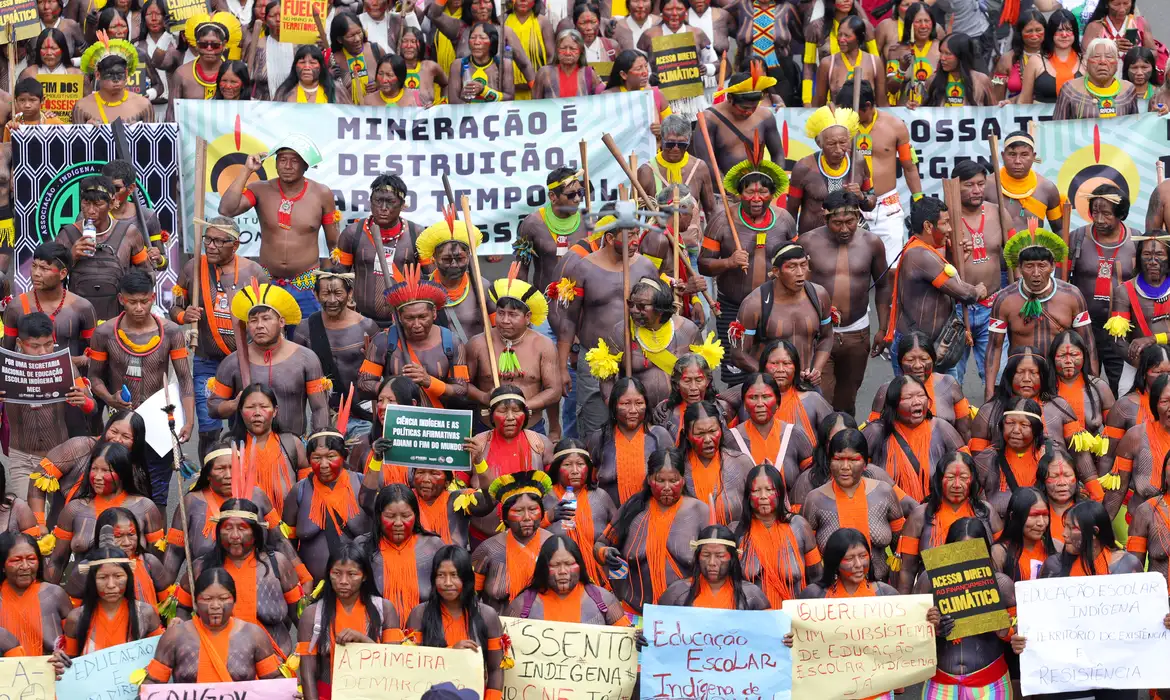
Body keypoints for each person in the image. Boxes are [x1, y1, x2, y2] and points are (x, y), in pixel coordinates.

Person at [87, 270, 195, 505]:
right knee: (118, 488)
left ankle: (157, 530)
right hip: (121, 425)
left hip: (159, 424)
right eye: (132, 302)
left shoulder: (171, 332)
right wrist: (109, 398)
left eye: (144, 301)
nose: (139, 308)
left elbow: (185, 378)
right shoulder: (104, 333)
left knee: (157, 494)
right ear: (121, 299)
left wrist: (188, 420)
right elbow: (94, 377)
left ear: (153, 297)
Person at [554, 209, 658, 436]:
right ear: (610, 238)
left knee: (640, 424)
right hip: (595, 361)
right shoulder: (584, 268)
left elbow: (660, 315)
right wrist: (561, 368)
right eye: (629, 235)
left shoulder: (646, 267)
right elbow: (568, 321)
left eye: (637, 233)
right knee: (595, 428)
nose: (635, 241)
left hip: (638, 357)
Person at [699, 144, 797, 386]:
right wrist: (729, 262)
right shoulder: (722, 221)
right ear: (739, 193)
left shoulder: (784, 220)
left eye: (763, 192)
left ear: (772, 193)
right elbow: (703, 264)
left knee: (775, 368)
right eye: (749, 192)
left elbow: (796, 259)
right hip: (732, 307)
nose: (756, 198)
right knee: (736, 373)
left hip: (775, 306)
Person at [171, 217, 268, 457]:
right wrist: (184, 315)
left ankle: (241, 472)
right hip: (207, 362)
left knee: (242, 426)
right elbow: (175, 307)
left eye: (218, 241)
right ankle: (208, 473)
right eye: (208, 240)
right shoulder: (192, 268)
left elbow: (268, 317)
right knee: (209, 429)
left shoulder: (253, 272)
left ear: (235, 245)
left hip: (243, 363)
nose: (211, 246)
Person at [218, 135, 342, 317]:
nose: (287, 166)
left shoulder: (322, 194)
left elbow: (334, 244)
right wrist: (247, 171)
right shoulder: (260, 189)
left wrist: (333, 279)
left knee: (306, 333)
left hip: (307, 285)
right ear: (275, 163)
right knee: (265, 331)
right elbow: (226, 209)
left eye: (294, 161)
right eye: (282, 160)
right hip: (267, 281)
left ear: (306, 165)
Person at [171, 499, 302, 657]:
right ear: (218, 532)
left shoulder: (278, 564)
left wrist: (306, 652)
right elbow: (182, 609)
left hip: (275, 664)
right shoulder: (200, 567)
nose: (234, 535)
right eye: (227, 528)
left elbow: (300, 615)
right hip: (216, 660)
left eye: (242, 528)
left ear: (255, 532)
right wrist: (180, 624)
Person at [799, 191, 890, 413]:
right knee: (820, 398)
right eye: (837, 223)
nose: (844, 229)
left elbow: (883, 286)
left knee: (847, 400)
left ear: (858, 217)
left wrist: (883, 329)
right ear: (825, 218)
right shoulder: (807, 242)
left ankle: (844, 434)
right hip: (819, 334)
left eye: (850, 221)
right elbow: (795, 287)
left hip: (857, 333)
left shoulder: (872, 243)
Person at [879, 197, 987, 372]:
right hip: (917, 351)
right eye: (945, 223)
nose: (949, 229)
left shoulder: (924, 251)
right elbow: (965, 295)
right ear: (928, 226)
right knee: (918, 391)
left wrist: (955, 260)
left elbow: (942, 284)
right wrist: (978, 290)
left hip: (935, 346)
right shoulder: (920, 255)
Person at [208, 283, 330, 437]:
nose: (259, 325)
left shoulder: (306, 359)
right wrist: (234, 404)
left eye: (266, 318)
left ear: (281, 322)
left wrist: (320, 442)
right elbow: (213, 407)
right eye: (253, 320)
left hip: (293, 445)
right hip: (247, 445)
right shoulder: (232, 363)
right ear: (247, 325)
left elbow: (320, 408)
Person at [595, 448, 709, 612]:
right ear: (649, 479)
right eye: (660, 480)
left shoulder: (700, 511)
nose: (667, 487)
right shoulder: (632, 509)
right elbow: (600, 545)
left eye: (673, 480)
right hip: (634, 610)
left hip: (685, 613)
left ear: (683, 480)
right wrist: (605, 553)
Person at [162, 442, 293, 583]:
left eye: (234, 468)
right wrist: (164, 591)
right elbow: (174, 552)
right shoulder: (190, 503)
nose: (229, 475)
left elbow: (280, 541)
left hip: (257, 585)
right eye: (220, 469)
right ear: (207, 474)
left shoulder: (258, 496)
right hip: (209, 590)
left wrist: (303, 578)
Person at [987, 225, 1096, 394]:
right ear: (1019, 268)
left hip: (1062, 379)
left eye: (1042, 265)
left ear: (1052, 266)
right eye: (1029, 266)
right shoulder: (1005, 300)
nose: (1036, 273)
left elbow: (1088, 343)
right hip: (1024, 381)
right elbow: (994, 348)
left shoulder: (1072, 296)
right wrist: (989, 394)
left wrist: (1093, 387)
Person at [0, 313, 94, 500]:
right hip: (23, 458)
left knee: (59, 515)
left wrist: (84, 401)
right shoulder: (5, 368)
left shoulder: (65, 365)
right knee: (29, 516)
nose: (43, 351)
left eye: (48, 344)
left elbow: (92, 407)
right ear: (20, 343)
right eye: (35, 346)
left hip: (60, 456)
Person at [919, 519, 1016, 700]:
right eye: (958, 549)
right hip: (941, 684)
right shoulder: (929, 580)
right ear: (948, 549)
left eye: (972, 549)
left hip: (990, 684)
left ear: (984, 550)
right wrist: (932, 628)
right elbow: (911, 631)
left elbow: (1020, 634)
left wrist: (1005, 631)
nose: (965, 556)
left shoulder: (1001, 584)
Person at [832, 80, 921, 269]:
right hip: (851, 208)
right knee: (853, 269)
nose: (847, 115)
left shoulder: (896, 126)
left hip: (887, 209)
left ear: (867, 106)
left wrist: (919, 199)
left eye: (851, 111)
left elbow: (909, 166)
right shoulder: (840, 129)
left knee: (891, 269)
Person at [295, 543, 403, 700]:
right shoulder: (312, 614)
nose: (343, 581)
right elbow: (307, 674)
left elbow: (394, 664)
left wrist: (363, 640)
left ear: (365, 576)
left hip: (375, 695)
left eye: (352, 574)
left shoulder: (384, 609)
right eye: (336, 573)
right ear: (328, 574)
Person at [46, 442, 164, 583]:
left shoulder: (145, 508)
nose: (97, 476)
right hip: (85, 592)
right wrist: (47, 592)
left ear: (122, 473)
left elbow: (157, 562)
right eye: (94, 469)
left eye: (105, 470)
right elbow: (57, 561)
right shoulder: (74, 509)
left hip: (136, 591)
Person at [357, 265, 470, 410]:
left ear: (434, 313)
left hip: (438, 419)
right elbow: (363, 384)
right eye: (409, 318)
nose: (417, 325)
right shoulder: (382, 342)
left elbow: (461, 389)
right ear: (399, 316)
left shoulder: (452, 343)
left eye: (422, 317)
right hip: (396, 419)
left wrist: (429, 381)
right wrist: (396, 389)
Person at [143, 567, 283, 684]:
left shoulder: (254, 635)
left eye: (223, 598)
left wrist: (288, 691)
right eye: (207, 599)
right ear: (195, 602)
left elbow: (274, 681)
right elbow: (153, 682)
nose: (215, 605)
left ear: (234, 601)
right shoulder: (174, 636)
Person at [802, 429, 905, 582]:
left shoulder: (884, 492)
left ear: (865, 463)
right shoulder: (815, 500)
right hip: (832, 590)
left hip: (879, 589)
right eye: (838, 459)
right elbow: (807, 555)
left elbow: (901, 548)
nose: (845, 466)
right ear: (829, 461)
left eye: (853, 459)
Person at [403, 546, 505, 700]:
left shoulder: (487, 615)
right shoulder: (419, 614)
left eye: (454, 575)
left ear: (466, 578)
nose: (447, 583)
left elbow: (495, 669)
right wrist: (452, 654)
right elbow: (410, 665)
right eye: (441, 575)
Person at [466, 265, 559, 428]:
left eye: (513, 315)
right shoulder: (478, 343)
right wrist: (484, 397)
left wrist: (522, 407)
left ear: (527, 317)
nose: (505, 320)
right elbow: (462, 385)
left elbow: (554, 391)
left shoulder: (543, 345)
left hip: (530, 427)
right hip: (487, 428)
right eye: (501, 313)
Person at [591, 277, 705, 408]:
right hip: (637, 414)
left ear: (660, 308)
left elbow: (704, 376)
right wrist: (616, 409)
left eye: (641, 306)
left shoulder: (688, 330)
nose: (634, 310)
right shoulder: (621, 332)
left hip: (680, 412)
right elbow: (606, 379)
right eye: (631, 304)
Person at [896, 451, 1000, 593]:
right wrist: (904, 604)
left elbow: (1001, 557)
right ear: (939, 480)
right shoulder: (920, 516)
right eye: (950, 477)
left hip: (979, 594)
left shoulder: (986, 512)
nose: (957, 485)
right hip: (933, 594)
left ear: (973, 480)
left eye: (964, 478)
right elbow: (907, 570)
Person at [730, 244, 833, 387]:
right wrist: (771, 376)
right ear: (776, 271)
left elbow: (827, 336)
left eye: (803, 265)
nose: (800, 273)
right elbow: (738, 354)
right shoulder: (754, 304)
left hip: (806, 384)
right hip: (768, 388)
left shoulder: (819, 295)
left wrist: (817, 369)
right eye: (792, 267)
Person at [27, 411, 145, 533]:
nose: (116, 439)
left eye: (126, 437)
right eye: (114, 432)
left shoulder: (136, 469)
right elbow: (38, 480)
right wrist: (39, 525)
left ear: (136, 442)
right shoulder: (79, 447)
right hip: (60, 533)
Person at [292, 271, 379, 436]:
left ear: (350, 293)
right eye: (325, 294)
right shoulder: (305, 329)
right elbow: (296, 376)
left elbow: (382, 371)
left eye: (338, 293)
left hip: (361, 414)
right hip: (323, 415)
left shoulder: (367, 327)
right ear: (315, 294)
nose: (332, 300)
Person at [54, 175, 150, 321]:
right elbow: (50, 280)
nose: (91, 211)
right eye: (86, 203)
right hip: (78, 320)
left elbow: (147, 275)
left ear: (111, 204)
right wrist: (70, 257)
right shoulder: (67, 235)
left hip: (118, 319)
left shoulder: (129, 233)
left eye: (98, 204)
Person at [333, 173, 422, 326]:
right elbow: (340, 278)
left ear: (402, 205)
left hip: (405, 324)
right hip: (360, 321)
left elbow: (430, 279)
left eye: (390, 202)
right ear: (370, 202)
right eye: (378, 201)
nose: (383, 208)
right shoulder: (353, 234)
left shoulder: (417, 235)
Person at [282, 430, 372, 582]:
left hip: (358, 587)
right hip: (312, 587)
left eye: (331, 456)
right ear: (308, 459)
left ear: (344, 455)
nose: (323, 465)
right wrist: (302, 577)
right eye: (316, 458)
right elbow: (286, 543)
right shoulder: (299, 491)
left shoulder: (363, 486)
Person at [863, 375, 965, 502]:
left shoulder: (942, 428)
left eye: (921, 395)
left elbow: (967, 470)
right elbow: (856, 472)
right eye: (908, 397)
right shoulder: (875, 432)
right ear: (894, 403)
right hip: (888, 508)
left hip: (933, 509)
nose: (917, 402)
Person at [948, 160, 1005, 383]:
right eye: (969, 185)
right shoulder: (944, 218)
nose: (976, 190)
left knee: (998, 377)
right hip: (954, 310)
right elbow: (933, 261)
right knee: (951, 379)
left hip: (991, 307)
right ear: (955, 186)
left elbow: (1015, 252)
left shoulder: (997, 212)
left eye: (981, 184)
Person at [723, 339, 834, 450]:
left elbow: (835, 435)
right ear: (763, 366)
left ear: (796, 368)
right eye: (774, 363)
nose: (780, 369)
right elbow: (719, 403)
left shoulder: (812, 400)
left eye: (787, 363)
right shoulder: (749, 394)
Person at [736, 463, 820, 607]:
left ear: (780, 493)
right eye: (756, 491)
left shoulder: (799, 526)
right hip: (755, 617)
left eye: (769, 490)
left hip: (795, 616)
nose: (763, 496)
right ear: (748, 496)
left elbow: (817, 578)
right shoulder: (738, 533)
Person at [60, 544, 164, 658]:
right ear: (92, 580)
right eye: (102, 577)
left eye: (118, 576)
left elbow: (160, 656)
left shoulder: (145, 613)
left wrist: (170, 635)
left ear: (128, 577)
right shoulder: (76, 618)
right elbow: (70, 661)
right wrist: (61, 660)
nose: (111, 585)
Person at [359, 484, 445, 621]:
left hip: (425, 627)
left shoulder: (433, 546)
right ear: (379, 516)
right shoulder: (362, 546)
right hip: (375, 627)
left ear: (416, 515)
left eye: (406, 516)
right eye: (390, 516)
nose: (398, 523)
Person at [587, 377, 676, 507]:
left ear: (646, 405)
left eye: (639, 403)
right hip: (610, 516)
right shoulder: (600, 438)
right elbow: (590, 483)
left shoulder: (659, 436)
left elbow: (674, 480)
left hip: (651, 514)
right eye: (626, 403)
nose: (633, 410)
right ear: (614, 406)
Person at [786, 105, 875, 235]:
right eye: (832, 144)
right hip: (814, 238)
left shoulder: (858, 162)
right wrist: (793, 240)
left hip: (851, 238)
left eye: (843, 142)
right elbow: (791, 211)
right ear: (819, 143)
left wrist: (861, 196)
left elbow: (871, 203)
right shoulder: (804, 168)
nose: (838, 150)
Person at [541, 439, 617, 587]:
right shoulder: (545, 498)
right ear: (557, 468)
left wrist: (605, 552)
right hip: (557, 581)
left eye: (580, 464)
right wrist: (547, 517)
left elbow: (619, 534)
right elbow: (526, 533)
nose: (575, 470)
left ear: (588, 467)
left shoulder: (600, 496)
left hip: (599, 582)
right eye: (567, 465)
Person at [504, 535, 628, 624]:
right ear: (543, 568)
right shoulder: (521, 605)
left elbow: (627, 640)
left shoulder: (605, 600)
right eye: (555, 565)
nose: (563, 571)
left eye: (569, 564)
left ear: (580, 566)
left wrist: (636, 640)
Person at [415, 214, 495, 344]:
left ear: (468, 257)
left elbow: (498, 331)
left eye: (460, 259)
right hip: (439, 356)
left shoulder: (482, 287)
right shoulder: (421, 290)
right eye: (446, 259)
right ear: (434, 259)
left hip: (473, 355)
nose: (454, 264)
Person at [692, 67, 784, 177]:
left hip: (757, 184)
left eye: (754, 107)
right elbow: (706, 162)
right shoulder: (710, 119)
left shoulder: (765, 116)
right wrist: (725, 185)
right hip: (721, 184)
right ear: (730, 98)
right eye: (744, 108)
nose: (749, 112)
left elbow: (778, 154)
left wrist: (774, 179)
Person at [513, 168, 588, 302]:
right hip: (546, 302)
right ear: (553, 196)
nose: (577, 199)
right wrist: (522, 305)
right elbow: (521, 271)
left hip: (581, 304)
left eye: (580, 192)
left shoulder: (587, 221)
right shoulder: (532, 224)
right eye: (571, 194)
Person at [1103, 374, 1170, 521]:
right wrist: (1102, 527)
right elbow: (1118, 490)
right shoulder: (1135, 436)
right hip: (1140, 522)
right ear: (1155, 403)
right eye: (1165, 401)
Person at [728, 373, 814, 485]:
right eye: (753, 397)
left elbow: (812, 477)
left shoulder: (795, 434)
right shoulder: (731, 439)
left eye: (766, 397)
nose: (760, 404)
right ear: (744, 404)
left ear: (778, 402)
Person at [658, 524, 769, 609]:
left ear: (732, 558)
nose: (712, 562)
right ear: (698, 557)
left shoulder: (751, 594)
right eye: (706, 555)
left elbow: (768, 629)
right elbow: (658, 625)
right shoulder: (677, 592)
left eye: (720, 555)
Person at [1105, 235, 1170, 376]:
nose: (1153, 261)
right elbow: (1118, 340)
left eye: (1160, 254)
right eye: (1147, 254)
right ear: (1138, 257)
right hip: (1137, 365)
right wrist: (1143, 367)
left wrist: (1153, 339)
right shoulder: (1124, 291)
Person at [0, 532, 71, 655]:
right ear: (2, 566)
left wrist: (65, 657)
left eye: (31, 559)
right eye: (16, 560)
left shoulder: (54, 594)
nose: (25, 566)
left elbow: (75, 646)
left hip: (52, 667)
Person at [635, 115, 716, 220]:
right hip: (658, 230)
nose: (676, 148)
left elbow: (711, 212)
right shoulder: (646, 172)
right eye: (670, 143)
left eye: (682, 144)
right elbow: (634, 217)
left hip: (692, 231)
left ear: (689, 142)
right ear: (662, 139)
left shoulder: (699, 168)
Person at [984, 131, 1064, 236]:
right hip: (997, 247)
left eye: (1024, 155)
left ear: (1033, 156)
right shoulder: (986, 185)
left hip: (1033, 246)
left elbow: (1059, 230)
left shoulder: (1047, 188)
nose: (1017, 161)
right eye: (1012, 154)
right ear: (1003, 156)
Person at [1038, 500, 1144, 579]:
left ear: (1094, 532)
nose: (1064, 534)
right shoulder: (1053, 566)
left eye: (1073, 528)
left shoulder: (1127, 564)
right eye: (1065, 526)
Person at [167, 12, 243, 120]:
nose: (209, 49)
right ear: (196, 45)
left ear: (224, 45)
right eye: (203, 45)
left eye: (215, 45)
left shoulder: (236, 73)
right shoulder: (182, 74)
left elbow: (244, 111)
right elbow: (171, 113)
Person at [1101, 345, 1170, 462]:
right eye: (1158, 372)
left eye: (1169, 372)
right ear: (1144, 373)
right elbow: (1107, 457)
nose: (1166, 377)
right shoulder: (1125, 406)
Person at [972, 397, 1049, 500]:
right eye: (1010, 423)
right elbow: (971, 498)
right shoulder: (987, 458)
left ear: (1036, 429)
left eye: (1024, 425)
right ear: (1002, 426)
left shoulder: (1049, 457)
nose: (1016, 430)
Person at [793, 527, 899, 598]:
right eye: (849, 559)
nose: (858, 564)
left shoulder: (886, 594)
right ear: (835, 562)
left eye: (863, 556)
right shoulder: (814, 595)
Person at [1050, 330, 1114, 444]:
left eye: (1074, 355)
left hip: (1094, 451)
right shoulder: (1045, 388)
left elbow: (1114, 431)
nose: (1068, 361)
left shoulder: (1100, 386)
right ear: (1052, 357)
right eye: (1062, 356)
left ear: (1084, 356)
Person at [1054, 38, 1140, 120]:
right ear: (1086, 62)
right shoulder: (1070, 90)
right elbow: (1057, 126)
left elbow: (1134, 125)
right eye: (1096, 56)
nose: (1102, 61)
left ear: (1117, 64)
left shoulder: (1128, 90)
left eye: (1109, 57)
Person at [650, 353, 731, 440]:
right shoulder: (664, 414)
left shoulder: (723, 409)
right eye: (687, 381)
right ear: (677, 384)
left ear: (707, 381)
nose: (693, 387)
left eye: (699, 380)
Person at [73, 36, 153, 123]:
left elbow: (153, 132)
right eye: (109, 74)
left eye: (120, 74)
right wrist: (87, 129)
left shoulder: (143, 105)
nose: (116, 80)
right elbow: (76, 132)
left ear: (126, 73)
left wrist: (137, 130)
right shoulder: (82, 108)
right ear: (98, 75)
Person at [812, 17, 884, 108]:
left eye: (847, 36)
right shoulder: (827, 64)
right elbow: (819, 104)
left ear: (859, 37)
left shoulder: (874, 62)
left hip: (866, 117)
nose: (841, 39)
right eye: (839, 34)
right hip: (838, 116)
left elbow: (882, 103)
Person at [992, 487, 1055, 582]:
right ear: (1013, 516)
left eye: (1045, 515)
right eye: (1034, 515)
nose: (1041, 522)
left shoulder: (1055, 547)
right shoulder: (999, 553)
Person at [445, 23, 518, 103]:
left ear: (492, 41)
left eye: (482, 38)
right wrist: (465, 98)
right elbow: (453, 101)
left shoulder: (504, 64)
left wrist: (484, 91)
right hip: (467, 111)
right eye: (473, 38)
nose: (476, 42)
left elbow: (510, 98)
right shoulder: (458, 65)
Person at [884, 2, 940, 106]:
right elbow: (891, 89)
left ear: (932, 23)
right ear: (909, 24)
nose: (923, 26)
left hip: (933, 111)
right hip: (904, 111)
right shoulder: (896, 51)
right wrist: (901, 69)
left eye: (927, 21)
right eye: (918, 21)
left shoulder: (941, 49)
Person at [920, 32, 993, 106]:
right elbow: (924, 109)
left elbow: (992, 109)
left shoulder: (981, 81)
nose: (942, 58)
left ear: (962, 55)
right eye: (941, 52)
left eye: (948, 53)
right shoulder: (932, 80)